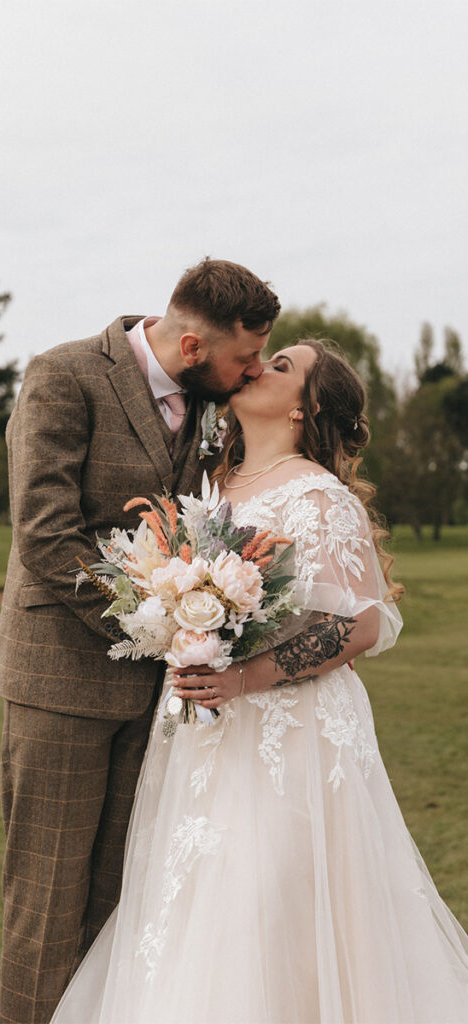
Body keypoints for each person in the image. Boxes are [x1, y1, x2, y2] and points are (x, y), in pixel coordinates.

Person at [51, 340, 468, 1024]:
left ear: (307, 407)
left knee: (271, 894)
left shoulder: (319, 496)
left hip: (289, 736)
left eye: (281, 366)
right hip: (203, 730)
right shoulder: (215, 485)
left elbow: (363, 624)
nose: (256, 366)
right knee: (202, 898)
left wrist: (245, 678)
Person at [0, 257, 281, 1024]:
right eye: (244, 357)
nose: (253, 371)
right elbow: (46, 535)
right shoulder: (62, 377)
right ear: (194, 347)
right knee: (47, 901)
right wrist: (158, 622)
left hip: (158, 702)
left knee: (122, 901)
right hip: (61, 684)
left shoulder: (208, 405)